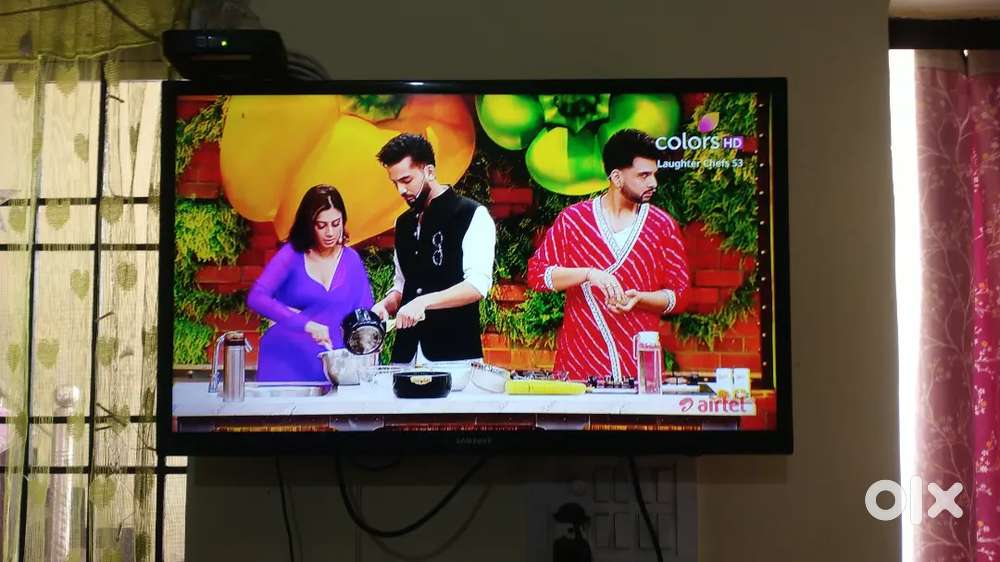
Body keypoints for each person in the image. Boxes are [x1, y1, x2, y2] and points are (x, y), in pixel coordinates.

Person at [527, 129, 690, 381]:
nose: (653, 183)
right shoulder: (574, 220)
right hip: (579, 365)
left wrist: (641, 299)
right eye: (644, 175)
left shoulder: (661, 225)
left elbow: (680, 295)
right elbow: (537, 275)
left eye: (654, 174)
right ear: (616, 177)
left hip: (638, 367)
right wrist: (588, 274)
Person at [370, 133, 496, 365]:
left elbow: (476, 286)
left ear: (429, 171)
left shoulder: (471, 215)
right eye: (395, 183)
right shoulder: (403, 223)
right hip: (405, 357)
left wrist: (423, 302)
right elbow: (402, 285)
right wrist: (385, 305)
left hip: (454, 357)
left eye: (406, 180)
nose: (401, 190)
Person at [247, 184, 374, 382]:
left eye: (336, 223)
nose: (330, 232)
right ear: (308, 224)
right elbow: (256, 297)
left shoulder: (351, 260)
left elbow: (364, 317)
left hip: (330, 367)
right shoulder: (291, 255)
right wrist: (306, 324)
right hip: (284, 364)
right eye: (321, 225)